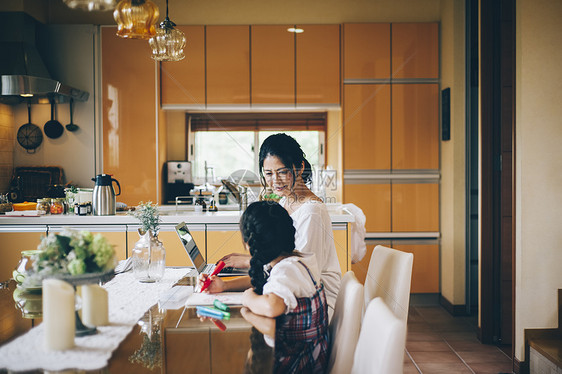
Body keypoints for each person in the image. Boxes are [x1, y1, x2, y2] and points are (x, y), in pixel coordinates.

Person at [199, 201, 330, 373]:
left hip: (299, 365)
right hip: (312, 357)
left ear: (249, 244)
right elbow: (266, 281)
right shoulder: (295, 261)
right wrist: (224, 285)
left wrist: (248, 302)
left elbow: (271, 306)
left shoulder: (286, 270)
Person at [219, 133, 341, 316]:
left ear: (299, 167)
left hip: (317, 306)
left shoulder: (311, 212)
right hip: (292, 296)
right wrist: (224, 285)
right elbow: (280, 266)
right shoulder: (285, 203)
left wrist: (250, 261)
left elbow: (296, 270)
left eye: (282, 172)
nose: (275, 181)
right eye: (268, 173)